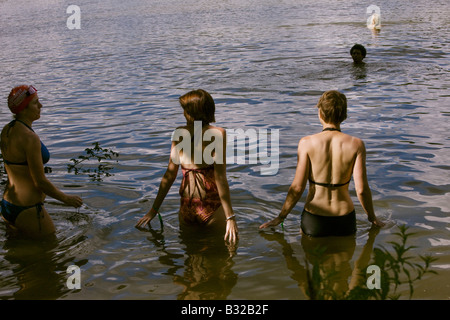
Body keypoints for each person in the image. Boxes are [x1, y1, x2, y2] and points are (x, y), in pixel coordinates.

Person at [260, 90, 384, 237]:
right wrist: (372, 218)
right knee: (346, 259)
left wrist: (281, 217)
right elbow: (362, 190)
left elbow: (297, 187)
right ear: (344, 116)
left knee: (312, 257)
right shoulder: (356, 144)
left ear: (320, 113)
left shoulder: (306, 143)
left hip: (315, 218)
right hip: (344, 218)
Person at [136, 89, 238, 245]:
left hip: (187, 208)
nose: (183, 113)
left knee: (190, 261)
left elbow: (169, 176)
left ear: (192, 112)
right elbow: (220, 178)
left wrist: (154, 210)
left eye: (185, 110)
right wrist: (230, 217)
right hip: (211, 206)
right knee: (222, 258)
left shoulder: (179, 133)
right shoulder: (217, 133)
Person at [1, 85, 83, 238]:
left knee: (16, 253)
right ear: (23, 108)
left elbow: (13, 170)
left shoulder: (7, 130)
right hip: (28, 208)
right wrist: (67, 199)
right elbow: (40, 182)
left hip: (7, 204)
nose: (41, 106)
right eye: (35, 103)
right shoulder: (30, 137)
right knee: (49, 254)